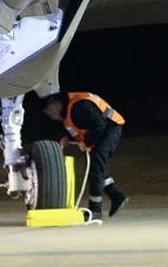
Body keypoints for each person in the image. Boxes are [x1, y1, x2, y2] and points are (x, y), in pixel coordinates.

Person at [42, 92, 128, 222]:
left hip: (111, 128)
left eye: (50, 112)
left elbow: (99, 125)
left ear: (56, 105)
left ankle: (95, 210)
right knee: (96, 167)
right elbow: (77, 126)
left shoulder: (79, 107)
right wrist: (66, 138)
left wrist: (86, 142)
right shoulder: (69, 111)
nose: (52, 117)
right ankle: (116, 196)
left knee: (96, 165)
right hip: (104, 130)